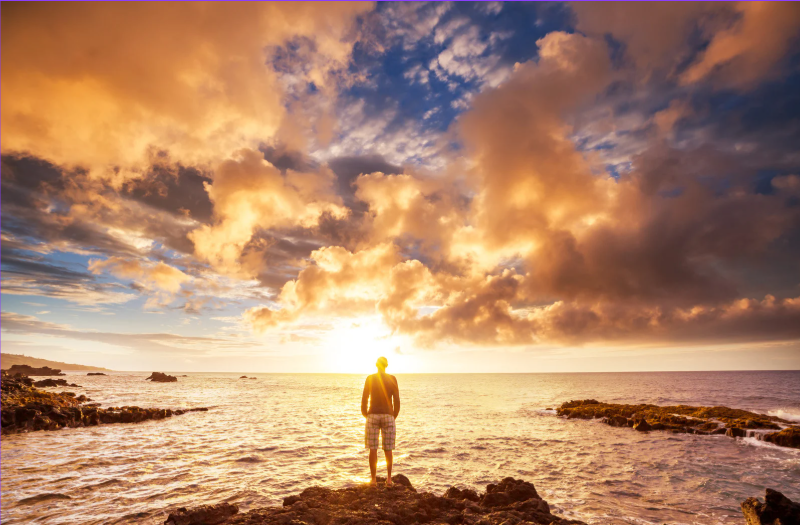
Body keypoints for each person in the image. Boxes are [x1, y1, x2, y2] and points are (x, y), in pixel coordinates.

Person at [361, 356, 400, 486]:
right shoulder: (392, 379)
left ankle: (373, 480)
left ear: (376, 365)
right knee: (388, 449)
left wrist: (366, 414)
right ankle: (389, 480)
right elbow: (397, 400)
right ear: (386, 365)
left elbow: (365, 398)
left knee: (373, 449)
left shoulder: (370, 378)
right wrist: (393, 416)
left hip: (372, 415)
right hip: (388, 415)